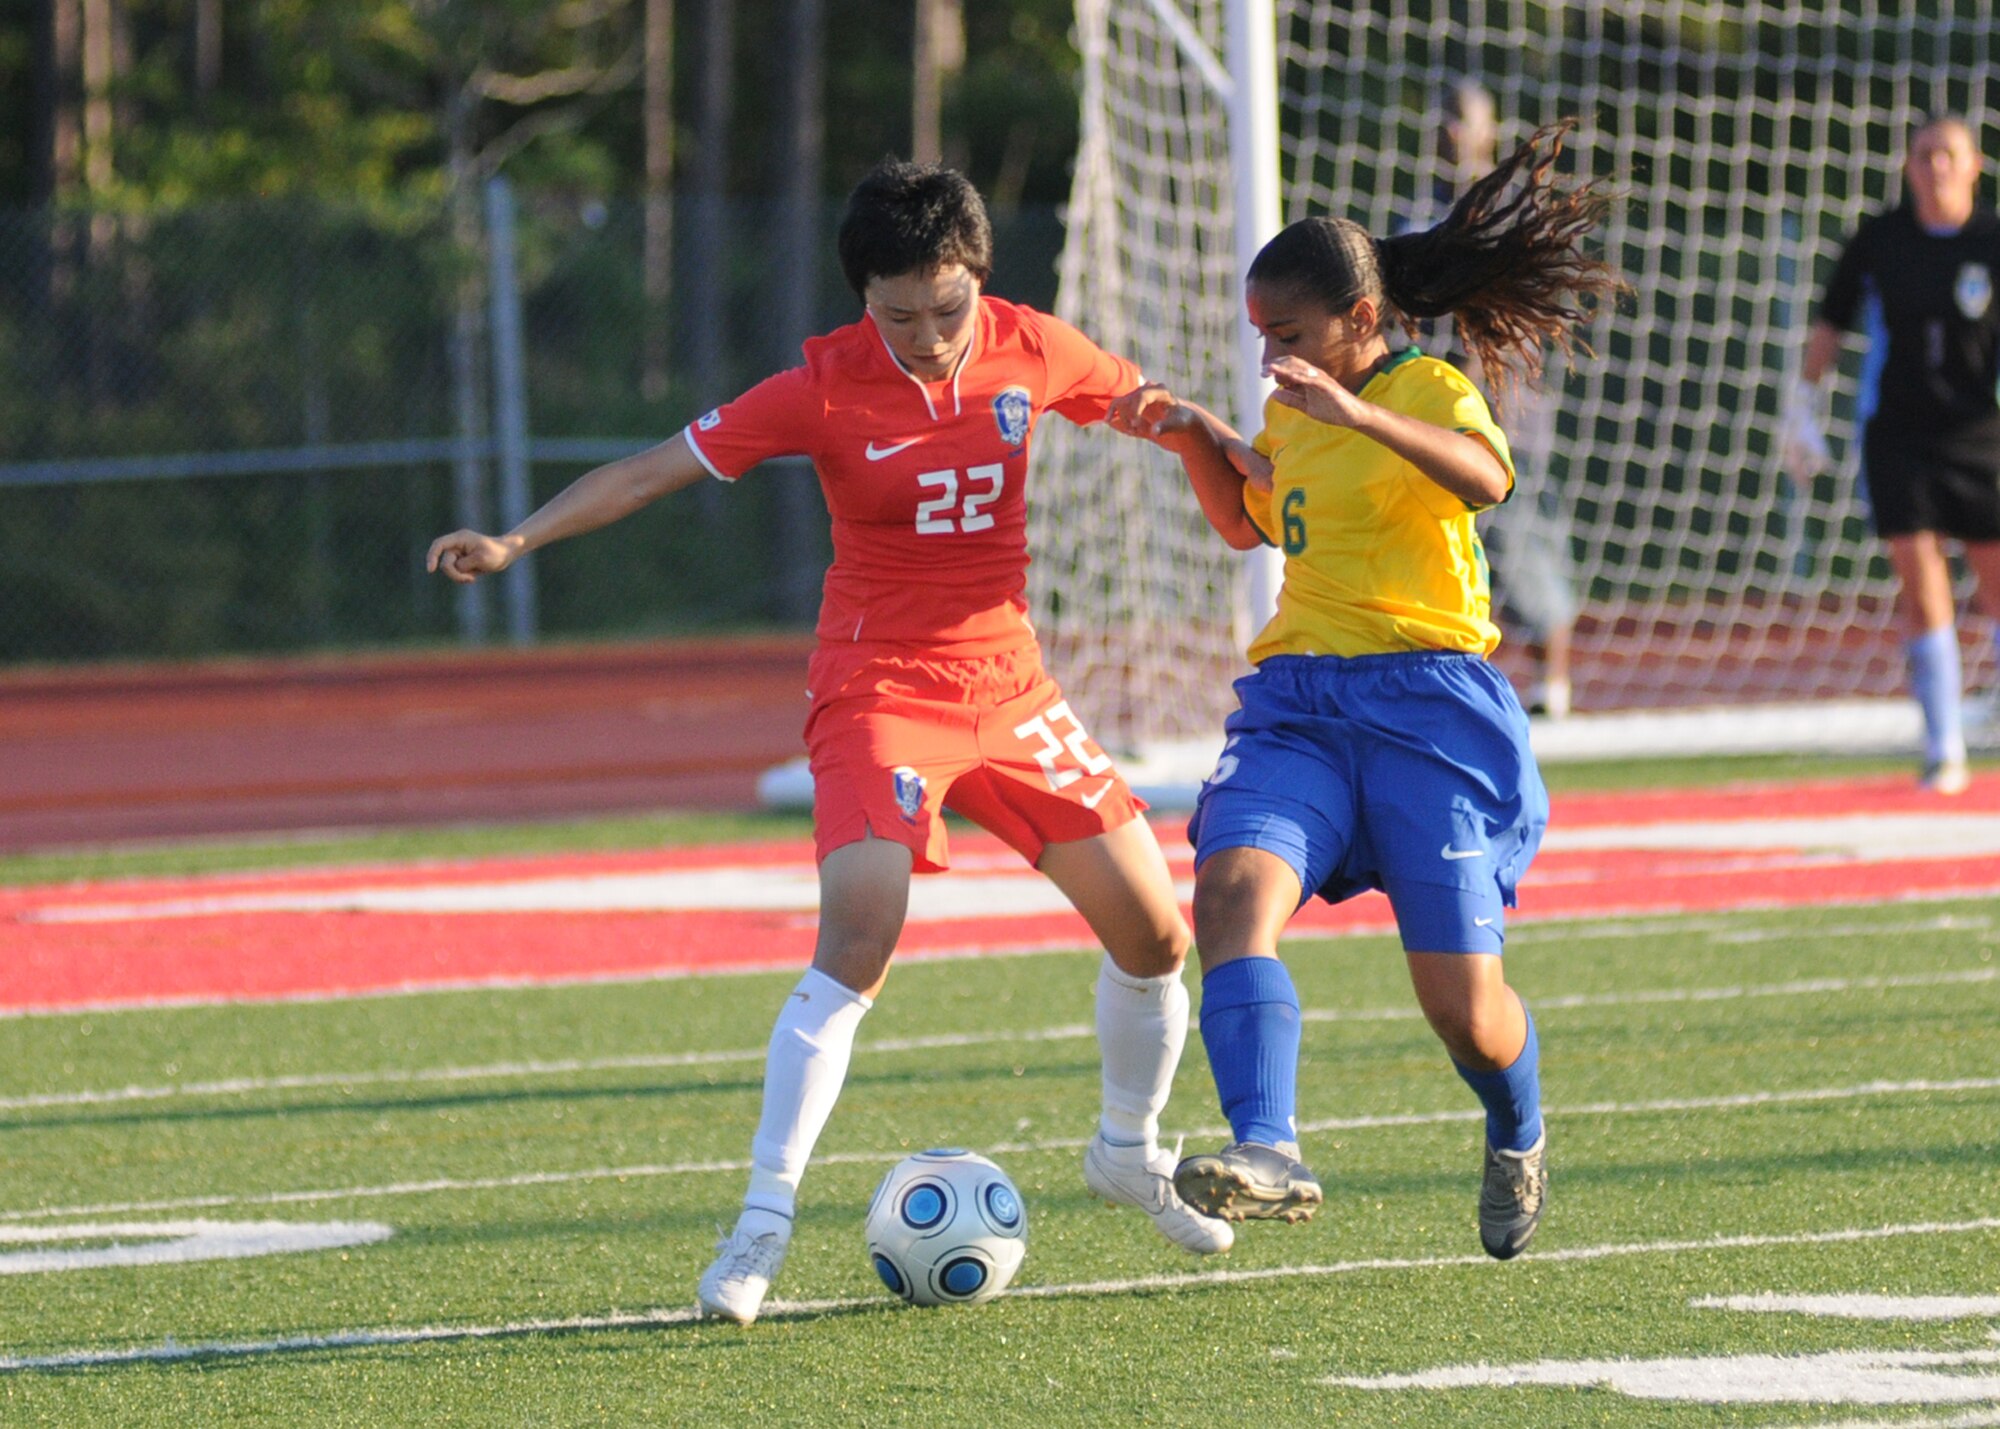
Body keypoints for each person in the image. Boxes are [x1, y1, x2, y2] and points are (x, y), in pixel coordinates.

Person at [429, 159, 1232, 1325]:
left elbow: (1147, 407)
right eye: (895, 312)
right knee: (861, 929)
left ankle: (1125, 1148)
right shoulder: (818, 385)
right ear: (861, 298)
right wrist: (517, 539)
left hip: (1012, 684)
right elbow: (655, 467)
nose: (922, 334)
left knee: (1157, 934)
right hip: (877, 686)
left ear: (978, 281)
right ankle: (759, 1221)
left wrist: (1225, 442)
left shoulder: (1032, 346)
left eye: (944, 309)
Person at [1107, 120, 1620, 1259]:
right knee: (1232, 890)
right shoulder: (1292, 404)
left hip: (1428, 709)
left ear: (1359, 318)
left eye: (1283, 332)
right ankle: (1268, 1146)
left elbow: (1487, 477)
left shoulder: (1426, 387)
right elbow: (1254, 519)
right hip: (1298, 700)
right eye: (1256, 336)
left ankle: (1516, 1126)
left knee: (1465, 1012)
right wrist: (1200, 436)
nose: (1267, 355)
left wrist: (1362, 416)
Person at [1792, 113, 2000, 797]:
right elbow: (1831, 323)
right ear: (1908, 165)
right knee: (1919, 580)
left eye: (1948, 154)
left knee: (1995, 585)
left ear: (1974, 165)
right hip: (1899, 435)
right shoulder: (1880, 239)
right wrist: (1802, 408)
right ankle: (1943, 746)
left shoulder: (1993, 241)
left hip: (1982, 435)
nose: (1935, 166)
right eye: (1923, 154)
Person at [1420, 81, 1579, 719]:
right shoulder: (1417, 214)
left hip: (1504, 407)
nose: (1450, 131)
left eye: (1463, 119)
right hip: (1429, 409)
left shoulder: (1507, 213)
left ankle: (1554, 690)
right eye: (1442, 118)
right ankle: (1463, 686)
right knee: (1451, 546)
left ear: (1490, 130)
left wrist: (1482, 373)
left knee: (1523, 536)